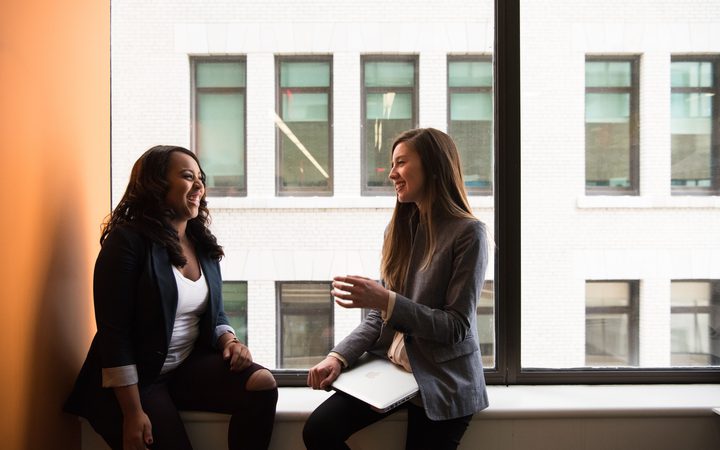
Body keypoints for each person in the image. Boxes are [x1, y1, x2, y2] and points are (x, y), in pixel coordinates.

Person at [64, 145, 278, 450]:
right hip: (137, 383)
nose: (199, 186)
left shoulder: (201, 244)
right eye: (188, 177)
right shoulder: (126, 242)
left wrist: (229, 340)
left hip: (182, 369)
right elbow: (115, 336)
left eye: (201, 178)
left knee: (262, 384)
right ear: (156, 184)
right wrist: (133, 413)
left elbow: (213, 313)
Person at [303, 128, 489, 450]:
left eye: (400, 163)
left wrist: (387, 300)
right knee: (318, 431)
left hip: (442, 379)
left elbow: (456, 327)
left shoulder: (469, 234)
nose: (391, 174)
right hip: (394, 371)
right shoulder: (400, 228)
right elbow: (379, 318)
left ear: (433, 167)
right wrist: (338, 357)